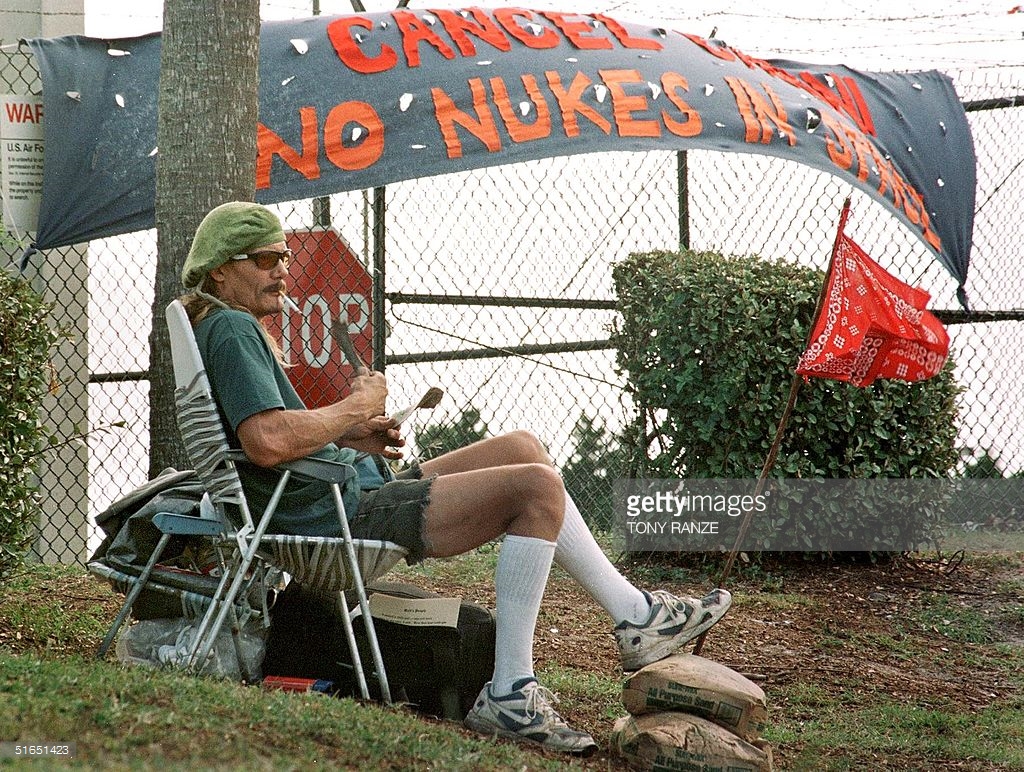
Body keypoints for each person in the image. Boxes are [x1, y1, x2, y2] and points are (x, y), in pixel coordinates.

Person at [179, 201, 732, 754]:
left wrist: (353, 436)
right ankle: (511, 692)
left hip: (339, 489)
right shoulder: (231, 329)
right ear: (221, 269)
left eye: (284, 255)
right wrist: (354, 406)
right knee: (537, 489)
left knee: (523, 447)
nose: (281, 268)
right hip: (335, 512)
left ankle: (636, 617)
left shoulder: (225, 326)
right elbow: (266, 440)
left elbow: (265, 438)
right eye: (265, 258)